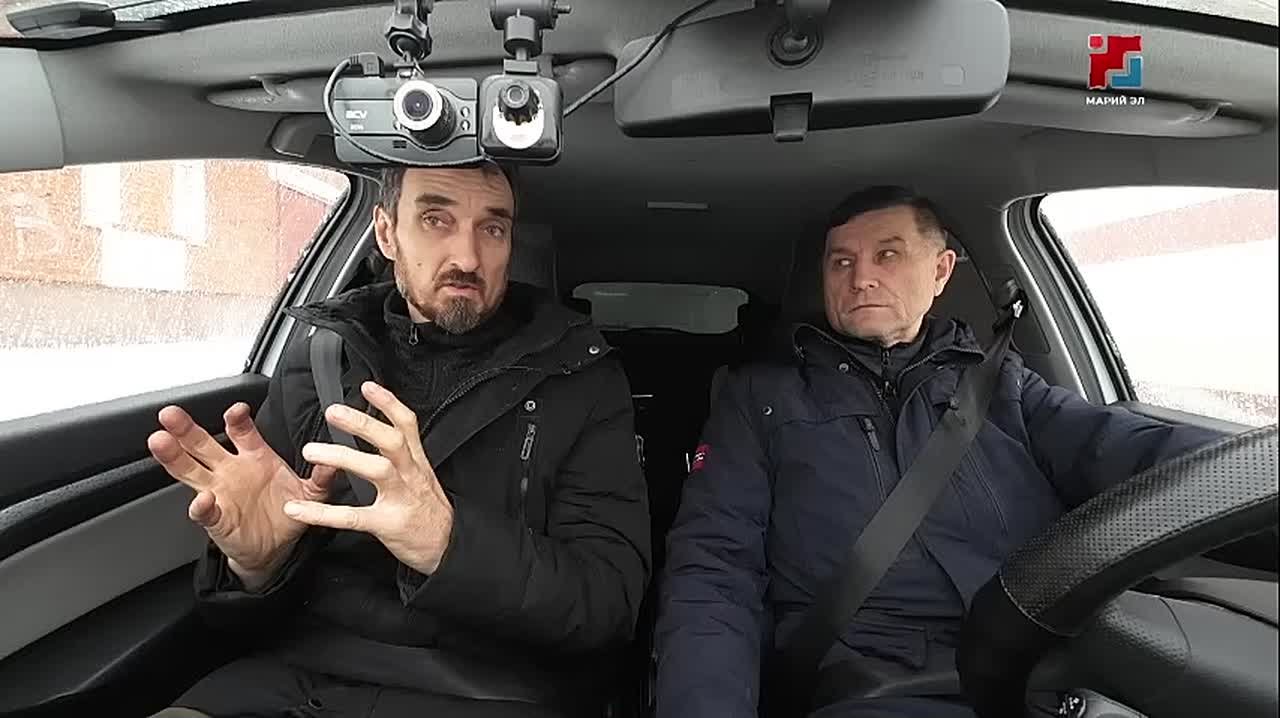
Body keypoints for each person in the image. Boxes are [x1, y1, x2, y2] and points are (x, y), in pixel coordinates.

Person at [652, 185, 1227, 718]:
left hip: (1045, 669)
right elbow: (715, 569)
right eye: (841, 262)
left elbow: (1124, 448)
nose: (862, 278)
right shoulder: (762, 400)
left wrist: (1249, 471)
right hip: (875, 686)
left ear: (940, 270)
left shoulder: (1005, 386)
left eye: (888, 255)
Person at [145, 161, 651, 718]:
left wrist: (448, 543)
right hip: (294, 677)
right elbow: (238, 615)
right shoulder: (320, 358)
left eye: (493, 228)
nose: (467, 258)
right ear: (386, 233)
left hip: (486, 689)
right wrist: (256, 568)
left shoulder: (580, 377)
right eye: (436, 219)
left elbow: (609, 604)